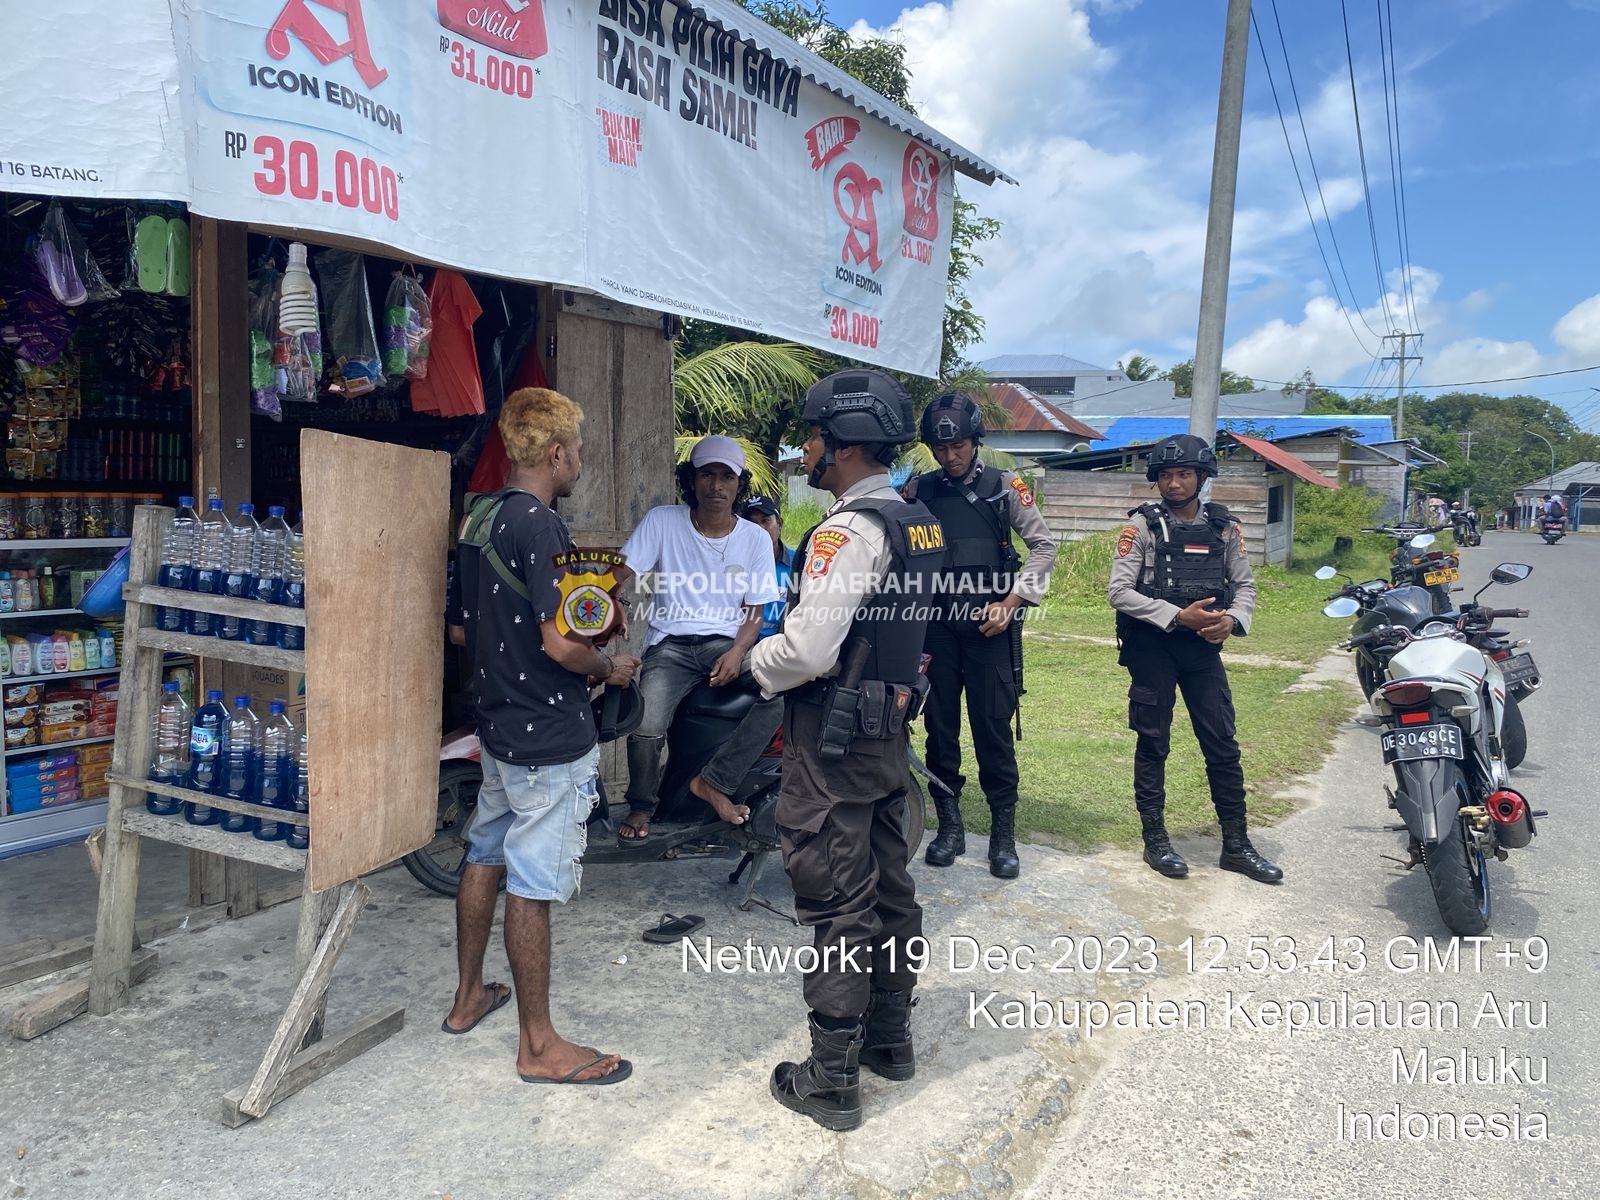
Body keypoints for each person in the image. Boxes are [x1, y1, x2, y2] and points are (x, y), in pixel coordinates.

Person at [747, 368, 944, 1131]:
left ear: (841, 444)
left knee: (838, 900)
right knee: (890, 887)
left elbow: (807, 650)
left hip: (830, 737)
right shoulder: (913, 520)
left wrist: (759, 669)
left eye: (812, 437)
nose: (805, 449)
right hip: (888, 732)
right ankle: (889, 1041)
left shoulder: (846, 531)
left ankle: (829, 1079)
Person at [447, 386, 640, 1085]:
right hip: (546, 735)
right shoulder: (542, 528)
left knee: (486, 851)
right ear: (555, 453)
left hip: (497, 724)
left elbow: (463, 628)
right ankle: (538, 1046)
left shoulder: (478, 519)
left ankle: (469, 997)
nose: (580, 461)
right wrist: (608, 664)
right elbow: (562, 646)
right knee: (531, 880)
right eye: (579, 450)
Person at [1107, 434, 1283, 885]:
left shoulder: (1226, 528)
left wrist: (1234, 621)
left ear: (1202, 477)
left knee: (1222, 745)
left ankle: (1237, 845)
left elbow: (1244, 586)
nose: (1174, 483)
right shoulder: (1141, 528)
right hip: (1153, 649)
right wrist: (1175, 616)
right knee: (1153, 743)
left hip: (1204, 650)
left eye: (1183, 474)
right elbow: (1119, 592)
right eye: (1165, 475)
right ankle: (1156, 840)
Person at [903, 392, 1058, 878]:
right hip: (936, 632)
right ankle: (949, 826)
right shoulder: (918, 491)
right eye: (940, 449)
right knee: (939, 731)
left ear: (975, 441)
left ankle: (1002, 835)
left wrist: (1012, 604)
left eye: (960, 446)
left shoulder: (1004, 487)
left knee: (993, 731)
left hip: (990, 629)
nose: (950, 457)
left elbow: (1043, 547)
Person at [616, 435, 783, 841]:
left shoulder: (755, 538)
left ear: (739, 484)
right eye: (706, 474)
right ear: (691, 480)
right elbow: (618, 572)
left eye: (727, 476)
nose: (716, 486)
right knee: (646, 728)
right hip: (670, 646)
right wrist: (608, 597)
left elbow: (756, 611)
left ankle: (716, 781)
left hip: (726, 644)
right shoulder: (662, 520)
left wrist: (740, 650)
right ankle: (641, 806)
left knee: (784, 689)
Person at [741, 493, 795, 639]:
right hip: (739, 642)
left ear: (780, 523)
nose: (759, 529)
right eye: (751, 523)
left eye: (765, 520)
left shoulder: (798, 563)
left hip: (783, 644)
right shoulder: (734, 564)